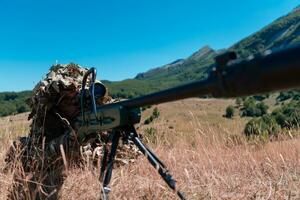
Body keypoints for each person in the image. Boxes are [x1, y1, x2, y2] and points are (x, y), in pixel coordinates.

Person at [4, 63, 137, 200]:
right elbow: (39, 157)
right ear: (57, 104)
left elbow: (127, 149)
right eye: (68, 101)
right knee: (19, 146)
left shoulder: (95, 111)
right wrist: (72, 139)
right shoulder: (49, 119)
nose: (76, 104)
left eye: (78, 99)